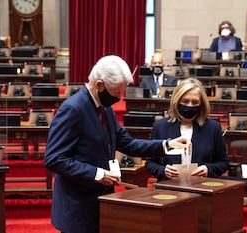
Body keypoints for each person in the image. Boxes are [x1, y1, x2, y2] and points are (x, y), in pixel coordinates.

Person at [44, 55, 190, 233]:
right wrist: (97, 174)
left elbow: (128, 144)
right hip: (78, 207)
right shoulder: (73, 109)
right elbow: (54, 158)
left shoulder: (105, 108)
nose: (119, 97)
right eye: (116, 93)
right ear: (99, 85)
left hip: (102, 201)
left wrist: (167, 145)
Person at [145, 78, 229, 181]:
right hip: (169, 189)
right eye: (185, 101)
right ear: (176, 101)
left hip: (202, 187)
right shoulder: (160, 127)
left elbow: (223, 162)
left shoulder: (213, 127)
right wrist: (163, 171)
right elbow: (150, 162)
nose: (190, 105)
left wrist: (208, 169)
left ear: (201, 104)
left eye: (195, 102)